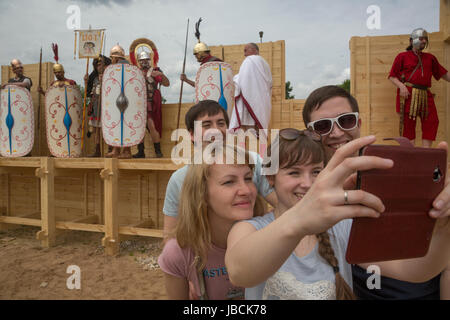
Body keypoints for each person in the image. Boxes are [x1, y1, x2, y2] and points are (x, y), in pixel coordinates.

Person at [225, 129, 450, 300]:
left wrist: (441, 227)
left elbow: (414, 271)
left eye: (316, 172)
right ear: (270, 178)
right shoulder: (249, 229)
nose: (307, 183)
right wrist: (301, 218)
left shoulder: (342, 227)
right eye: (294, 172)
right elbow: (240, 272)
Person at [301, 85, 450, 299]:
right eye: (323, 125)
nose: (336, 132)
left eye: (346, 120)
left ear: (359, 123)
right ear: (311, 133)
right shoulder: (306, 190)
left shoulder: (396, 169)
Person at [158, 144, 265, 299]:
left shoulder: (269, 236)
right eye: (229, 182)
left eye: (248, 178)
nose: (246, 190)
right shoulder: (179, 253)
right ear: (202, 193)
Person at [163, 100, 277, 242]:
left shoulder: (251, 162)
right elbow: (170, 234)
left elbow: (282, 204)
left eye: (221, 123)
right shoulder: (180, 179)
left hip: (251, 250)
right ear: (191, 134)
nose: (216, 130)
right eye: (207, 125)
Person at [388, 28, 450, 148]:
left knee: (432, 122)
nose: (423, 41)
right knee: (408, 126)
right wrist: (401, 86)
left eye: (425, 39)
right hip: (408, 94)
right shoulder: (402, 56)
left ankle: (425, 153)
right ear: (411, 41)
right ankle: (410, 156)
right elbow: (392, 76)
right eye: (421, 38)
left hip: (425, 95)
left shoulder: (430, 58)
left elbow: (443, 74)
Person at [133, 51, 170, 158]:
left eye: (146, 59)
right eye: (142, 60)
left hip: (150, 102)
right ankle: (140, 152)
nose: (144, 62)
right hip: (138, 103)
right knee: (139, 128)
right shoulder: (136, 72)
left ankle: (158, 151)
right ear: (139, 61)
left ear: (149, 60)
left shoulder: (155, 71)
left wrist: (161, 75)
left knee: (151, 126)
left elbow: (167, 84)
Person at [229, 43, 273, 135]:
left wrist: (235, 79)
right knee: (258, 129)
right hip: (263, 102)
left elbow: (244, 80)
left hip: (249, 101)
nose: (244, 54)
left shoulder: (250, 60)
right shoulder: (265, 63)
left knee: (248, 131)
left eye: (245, 50)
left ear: (253, 50)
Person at [105, 44, 133, 159]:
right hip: (124, 101)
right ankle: (117, 150)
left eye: (112, 58)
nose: (111, 60)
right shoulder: (130, 67)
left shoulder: (119, 68)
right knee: (120, 126)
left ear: (116, 58)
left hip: (124, 101)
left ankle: (126, 151)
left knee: (122, 126)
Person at [180, 18, 222, 88]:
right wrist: (186, 80)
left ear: (201, 53)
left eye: (196, 54)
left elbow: (202, 86)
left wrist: (186, 80)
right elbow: (201, 86)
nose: (195, 57)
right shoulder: (208, 63)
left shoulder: (212, 63)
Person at [84, 55, 111, 157]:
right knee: (96, 130)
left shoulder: (110, 76)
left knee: (108, 129)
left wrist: (104, 80)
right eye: (98, 65)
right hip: (96, 107)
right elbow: (87, 93)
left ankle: (110, 150)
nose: (100, 67)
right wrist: (86, 82)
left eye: (102, 65)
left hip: (107, 107)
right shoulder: (93, 78)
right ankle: (97, 151)